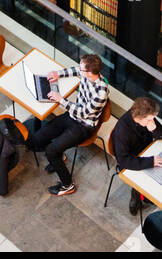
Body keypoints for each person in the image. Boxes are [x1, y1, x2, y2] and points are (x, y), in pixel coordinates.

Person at [27, 53, 109, 197]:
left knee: (51, 151)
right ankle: (60, 156)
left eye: (82, 68)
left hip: (84, 126)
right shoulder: (87, 72)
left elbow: (83, 113)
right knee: (39, 137)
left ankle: (67, 185)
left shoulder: (101, 92)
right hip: (72, 115)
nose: (79, 69)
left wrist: (61, 100)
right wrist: (57, 74)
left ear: (90, 73)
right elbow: (76, 70)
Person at [112, 96, 162, 215]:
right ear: (140, 118)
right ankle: (136, 196)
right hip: (131, 160)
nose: (151, 121)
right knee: (148, 176)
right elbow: (124, 161)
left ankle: (147, 196)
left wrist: (154, 129)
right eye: (149, 120)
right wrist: (150, 162)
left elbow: (160, 135)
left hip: (146, 151)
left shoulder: (147, 117)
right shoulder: (122, 131)